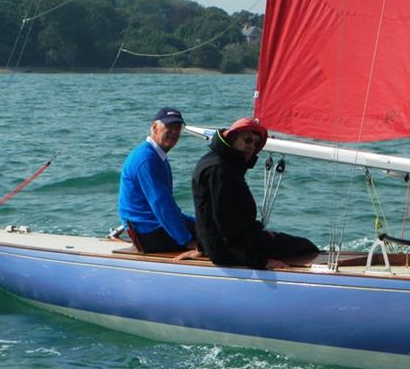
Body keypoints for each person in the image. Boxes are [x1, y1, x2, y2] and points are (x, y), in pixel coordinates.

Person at [189, 117, 319, 269]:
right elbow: (226, 224)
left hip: (227, 245)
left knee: (293, 244)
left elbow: (205, 211)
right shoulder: (219, 170)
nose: (251, 146)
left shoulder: (219, 163)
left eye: (256, 143)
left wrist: (201, 247)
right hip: (227, 252)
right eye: (247, 140)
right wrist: (259, 262)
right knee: (306, 247)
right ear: (232, 138)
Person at [118, 107, 196, 253]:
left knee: (209, 227)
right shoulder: (147, 159)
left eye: (178, 128)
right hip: (148, 233)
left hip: (153, 226)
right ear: (154, 128)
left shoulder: (156, 156)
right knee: (213, 239)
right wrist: (186, 241)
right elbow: (161, 204)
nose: (174, 133)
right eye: (169, 127)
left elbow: (167, 207)